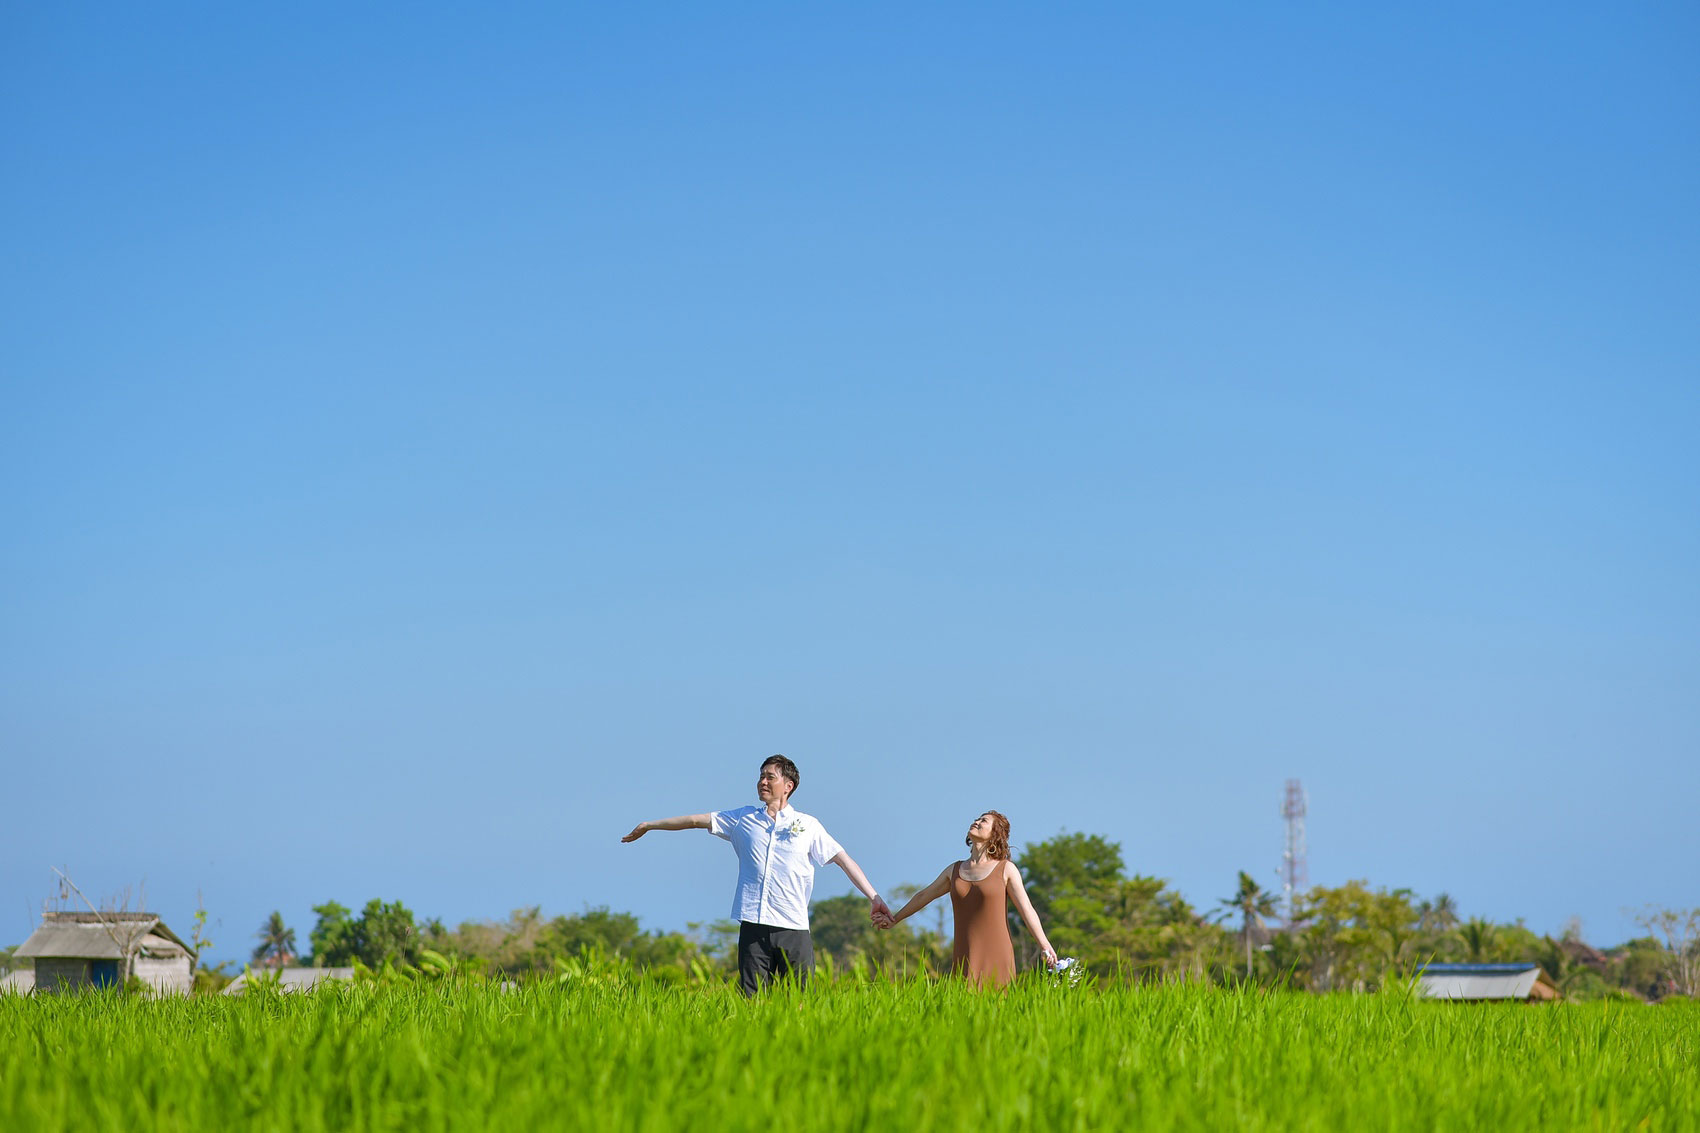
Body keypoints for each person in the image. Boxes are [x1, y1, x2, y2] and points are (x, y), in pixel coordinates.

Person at [621, 754, 892, 996]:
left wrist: (874, 897)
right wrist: (650, 825)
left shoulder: (808, 826)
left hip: (793, 928)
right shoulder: (743, 818)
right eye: (761, 776)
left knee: (799, 1002)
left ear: (788, 786)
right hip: (753, 925)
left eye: (769, 777)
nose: (762, 781)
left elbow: (844, 861)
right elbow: (694, 820)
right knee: (752, 1002)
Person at [879, 810, 1056, 988]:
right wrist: (895, 919)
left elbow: (1026, 909)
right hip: (964, 952)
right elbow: (923, 896)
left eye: (984, 821)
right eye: (977, 819)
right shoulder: (954, 870)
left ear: (995, 834)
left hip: (997, 952)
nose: (977, 822)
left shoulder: (1006, 869)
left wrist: (1044, 944)